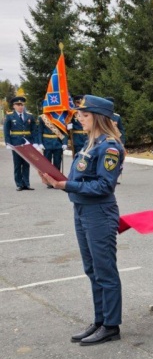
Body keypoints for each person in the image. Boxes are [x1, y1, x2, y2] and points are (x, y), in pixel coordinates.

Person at [40, 95, 126, 345]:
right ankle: (100, 320)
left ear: (98, 117)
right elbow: (81, 178)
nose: (79, 118)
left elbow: (103, 185)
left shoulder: (109, 147)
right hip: (82, 210)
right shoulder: (90, 144)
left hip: (98, 212)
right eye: (79, 114)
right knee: (92, 269)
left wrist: (66, 185)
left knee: (105, 270)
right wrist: (55, 181)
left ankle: (111, 325)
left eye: (84, 115)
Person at [3, 93, 36, 190]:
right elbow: (6, 130)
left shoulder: (29, 116)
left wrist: (35, 142)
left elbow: (34, 129)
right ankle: (19, 184)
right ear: (14, 106)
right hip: (16, 143)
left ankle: (26, 183)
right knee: (17, 164)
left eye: (22, 105)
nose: (20, 106)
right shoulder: (10, 116)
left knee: (26, 163)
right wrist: (8, 143)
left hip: (28, 143)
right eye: (18, 105)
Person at [35, 101, 69, 183]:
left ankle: (57, 179)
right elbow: (39, 131)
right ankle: (48, 180)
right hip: (47, 143)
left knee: (57, 162)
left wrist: (64, 143)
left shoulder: (59, 117)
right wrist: (40, 143)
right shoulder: (42, 117)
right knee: (47, 163)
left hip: (57, 142)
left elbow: (64, 131)